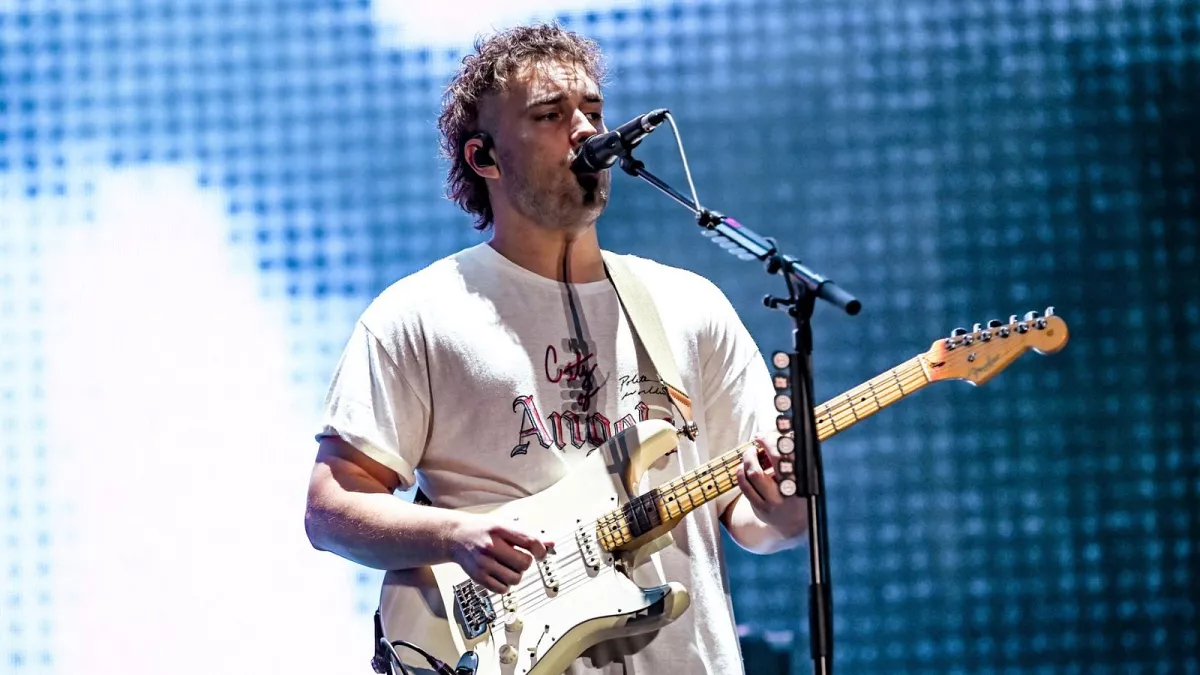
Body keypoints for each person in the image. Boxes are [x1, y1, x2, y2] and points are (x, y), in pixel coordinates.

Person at [305, 23, 808, 674]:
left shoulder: (690, 305)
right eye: (550, 114)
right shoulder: (418, 314)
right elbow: (331, 509)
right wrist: (455, 536)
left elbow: (754, 520)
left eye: (593, 111)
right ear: (484, 157)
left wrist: (788, 505)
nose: (584, 130)